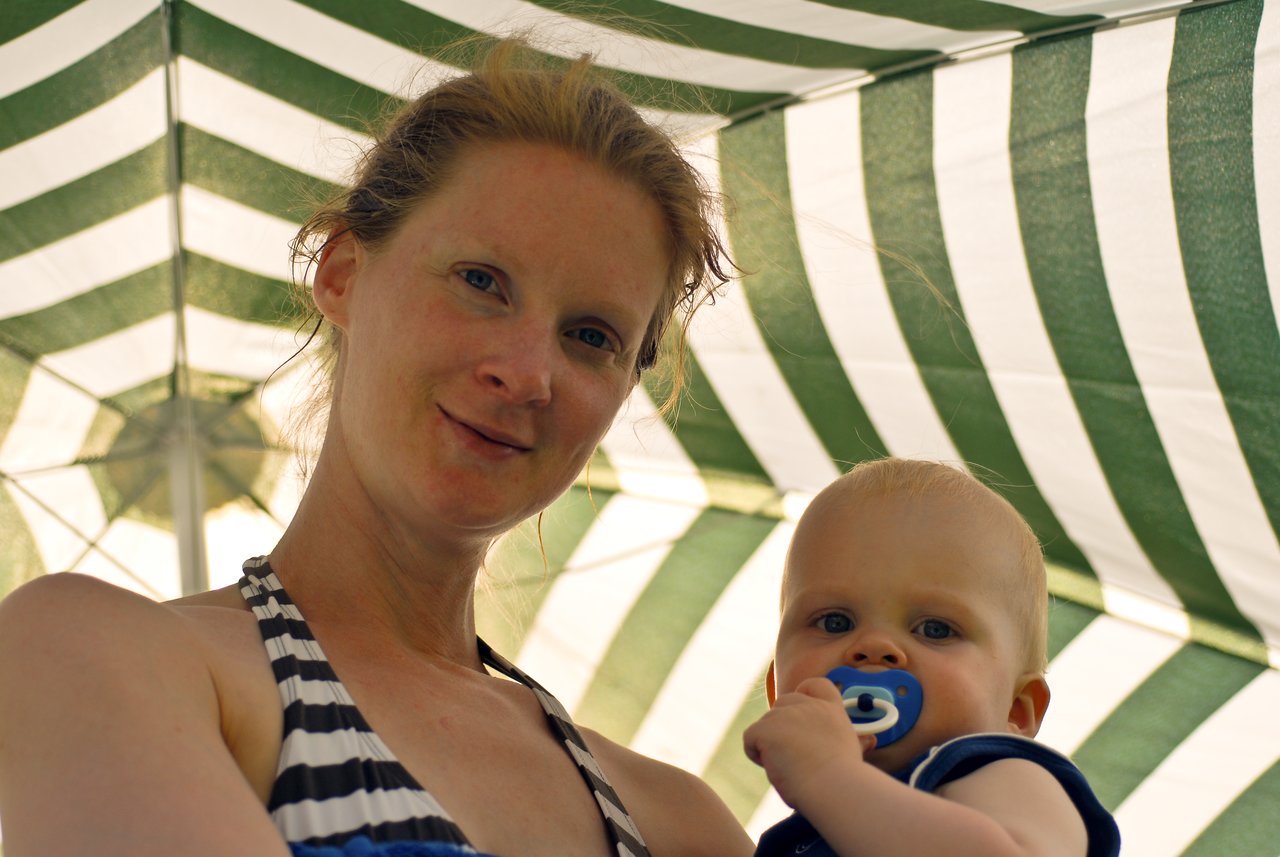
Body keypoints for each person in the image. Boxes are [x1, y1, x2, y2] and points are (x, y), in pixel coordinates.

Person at [0, 39, 754, 857]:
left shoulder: (683, 822)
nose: (528, 372)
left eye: (591, 335)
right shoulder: (106, 656)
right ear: (343, 272)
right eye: (481, 280)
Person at [744, 458, 1120, 857]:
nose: (874, 645)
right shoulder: (807, 833)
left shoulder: (1001, 777)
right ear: (778, 692)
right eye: (835, 622)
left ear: (1017, 710)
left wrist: (828, 776)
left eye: (935, 629)